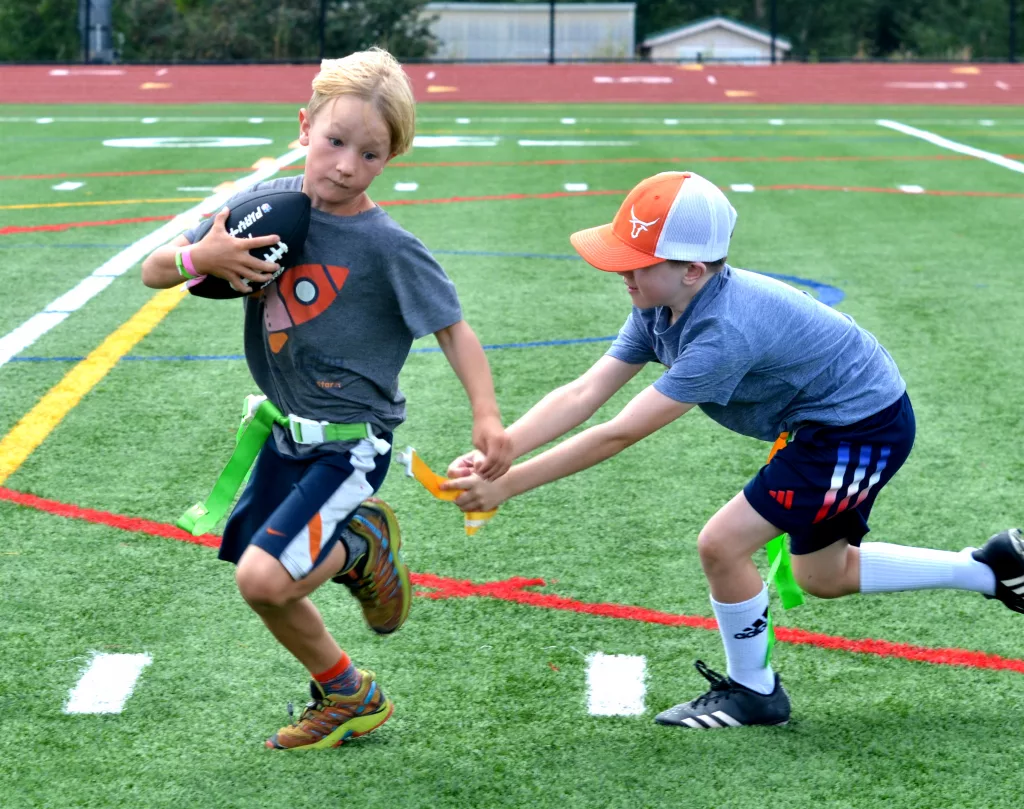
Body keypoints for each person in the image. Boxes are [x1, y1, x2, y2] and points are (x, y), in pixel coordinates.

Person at [442, 170, 1023, 729]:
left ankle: (756, 692)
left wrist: (507, 486)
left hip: (856, 429)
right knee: (822, 575)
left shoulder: (723, 332)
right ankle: (992, 567)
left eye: (635, 265)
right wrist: (502, 449)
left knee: (722, 545)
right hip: (825, 423)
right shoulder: (659, 305)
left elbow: (619, 431)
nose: (622, 274)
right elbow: (584, 392)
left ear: (692, 269)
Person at [141, 47, 512, 749]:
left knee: (262, 577)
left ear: (389, 159)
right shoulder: (263, 207)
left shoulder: (387, 245)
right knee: (263, 583)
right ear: (304, 125)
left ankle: (361, 550)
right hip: (285, 434)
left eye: (370, 154)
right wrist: (204, 258)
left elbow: (452, 328)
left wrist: (487, 414)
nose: (346, 164)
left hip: (349, 444)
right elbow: (152, 269)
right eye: (336, 141)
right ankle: (347, 690)